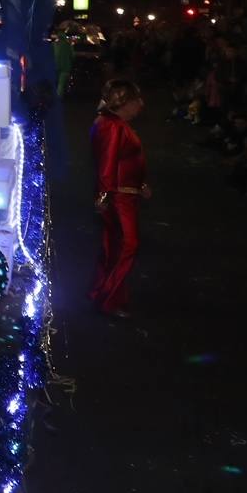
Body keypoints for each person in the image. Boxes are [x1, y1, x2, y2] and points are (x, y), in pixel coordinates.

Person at [89, 79, 149, 318]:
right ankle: (108, 297)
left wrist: (141, 184)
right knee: (127, 245)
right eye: (136, 100)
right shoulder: (113, 126)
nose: (141, 105)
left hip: (123, 193)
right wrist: (104, 196)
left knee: (115, 246)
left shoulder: (113, 124)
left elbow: (125, 161)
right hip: (119, 197)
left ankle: (105, 294)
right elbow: (107, 163)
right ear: (124, 102)